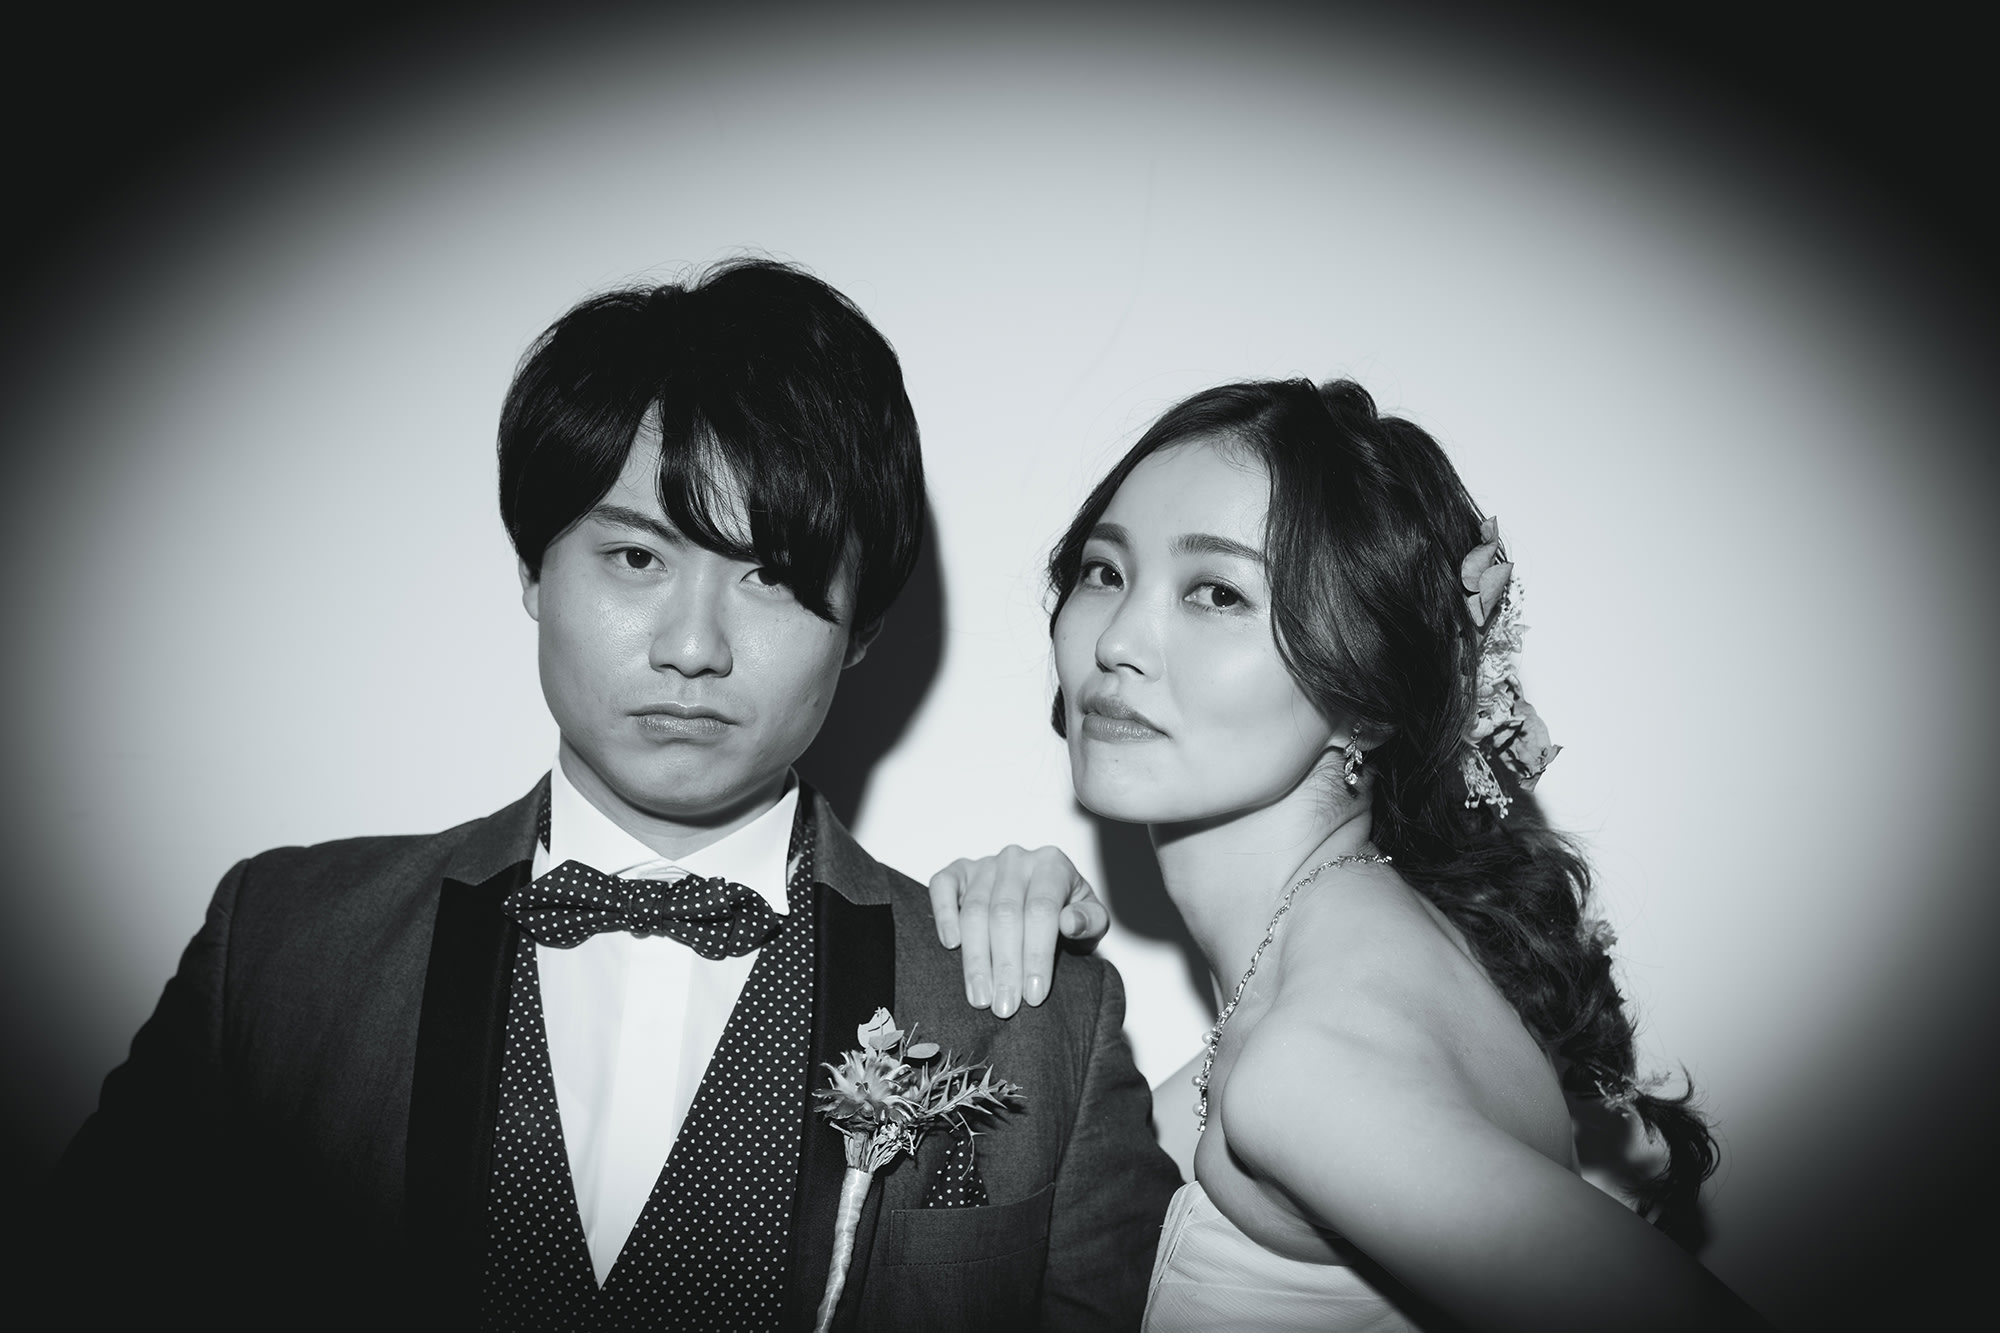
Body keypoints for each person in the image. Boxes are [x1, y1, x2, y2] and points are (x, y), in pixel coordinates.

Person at [44, 259, 1179, 1331]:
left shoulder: (1038, 1015)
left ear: (863, 629)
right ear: (533, 569)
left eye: (772, 577)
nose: (692, 646)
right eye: (637, 558)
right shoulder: (281, 946)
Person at [942, 378, 1768, 1331]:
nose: (1119, 639)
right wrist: (1036, 993)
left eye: (1218, 592)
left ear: (1368, 700)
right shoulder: (1329, 974)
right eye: (1103, 571)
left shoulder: (1311, 1058)